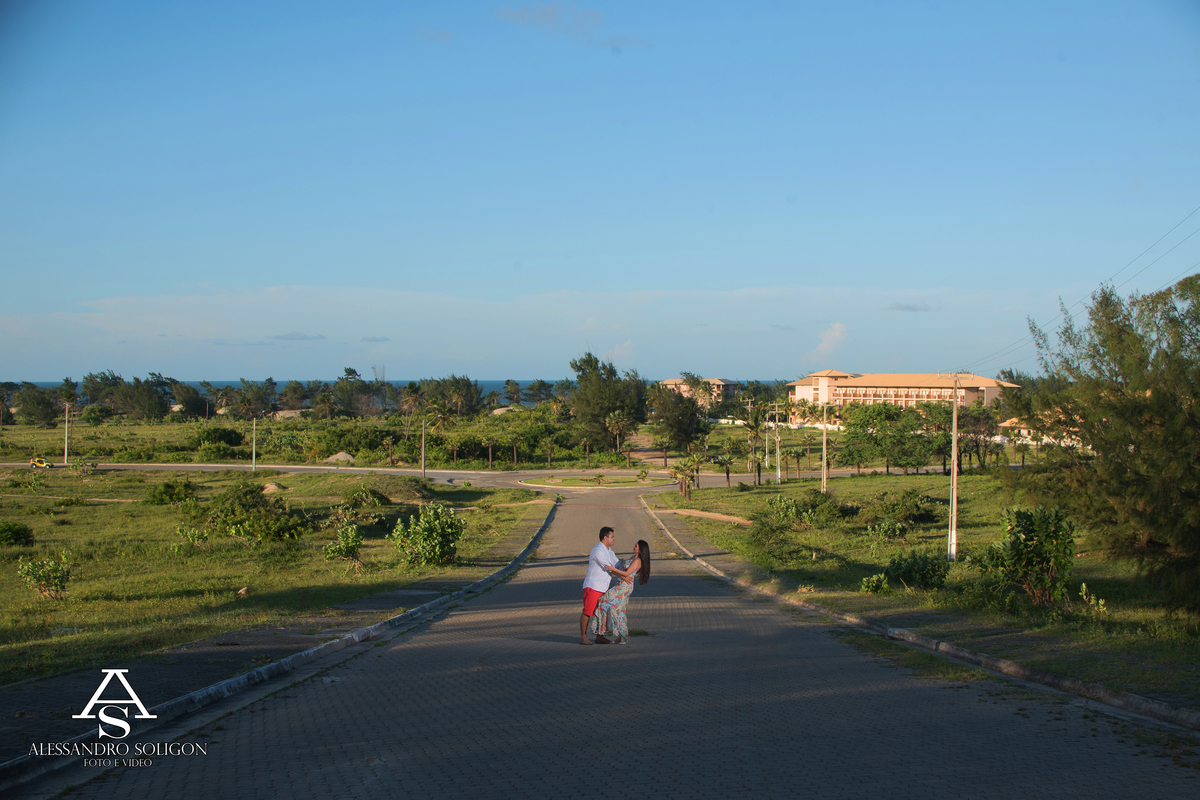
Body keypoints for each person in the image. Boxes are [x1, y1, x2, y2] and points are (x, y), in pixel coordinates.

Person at [587, 539, 650, 645]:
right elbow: (623, 571)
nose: (634, 547)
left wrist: (612, 569)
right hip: (621, 584)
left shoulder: (637, 561)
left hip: (624, 587)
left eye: (636, 546)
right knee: (618, 609)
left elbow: (627, 574)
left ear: (640, 549)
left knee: (603, 600)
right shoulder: (633, 557)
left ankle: (603, 628)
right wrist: (613, 568)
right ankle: (622, 636)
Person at [580, 527, 620, 645]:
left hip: (603, 587)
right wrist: (625, 576)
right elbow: (609, 567)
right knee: (588, 611)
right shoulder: (597, 550)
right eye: (612, 537)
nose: (614, 539)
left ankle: (600, 636)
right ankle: (583, 637)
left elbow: (618, 565)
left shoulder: (610, 551)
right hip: (593, 586)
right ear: (605, 538)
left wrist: (632, 564)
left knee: (602, 611)